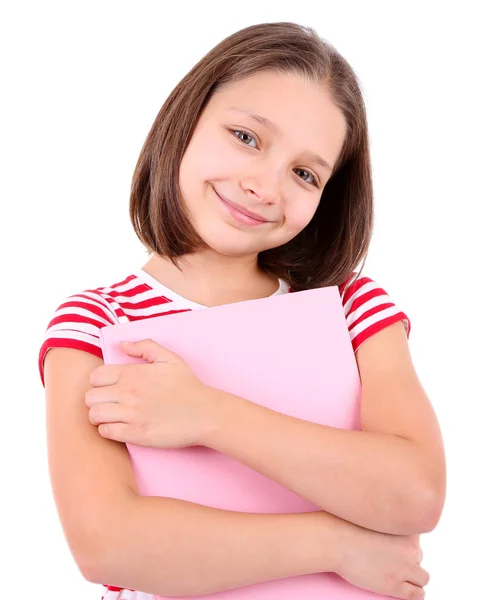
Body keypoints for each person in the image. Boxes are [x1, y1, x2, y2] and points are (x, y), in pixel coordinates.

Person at [39, 22, 446, 600]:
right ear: (186, 121)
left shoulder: (351, 307)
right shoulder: (96, 321)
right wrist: (335, 543)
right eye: (246, 137)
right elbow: (109, 545)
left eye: (305, 173)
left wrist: (208, 414)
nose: (264, 185)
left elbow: (415, 494)